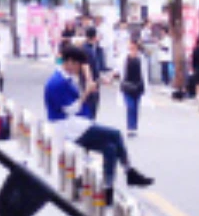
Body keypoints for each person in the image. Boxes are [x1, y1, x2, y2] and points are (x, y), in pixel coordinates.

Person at [46, 43, 155, 187]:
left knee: (110, 147)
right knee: (115, 134)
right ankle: (129, 172)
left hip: (76, 123)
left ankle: (107, 185)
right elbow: (70, 109)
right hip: (68, 126)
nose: (79, 69)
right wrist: (87, 92)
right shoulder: (58, 82)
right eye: (78, 65)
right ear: (70, 62)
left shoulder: (65, 78)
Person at [118, 36, 148, 137]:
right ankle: (130, 127)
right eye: (130, 45)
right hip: (127, 85)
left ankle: (134, 127)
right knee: (130, 106)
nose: (131, 47)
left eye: (132, 45)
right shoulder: (124, 57)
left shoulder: (141, 58)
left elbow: (144, 73)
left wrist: (146, 87)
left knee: (136, 107)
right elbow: (119, 69)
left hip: (138, 85)